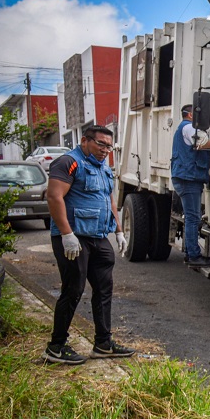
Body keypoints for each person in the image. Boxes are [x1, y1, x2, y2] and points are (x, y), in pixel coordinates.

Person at [44, 126, 134, 365]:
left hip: (98, 238)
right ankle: (56, 346)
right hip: (74, 238)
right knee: (73, 289)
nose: (105, 150)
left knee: (104, 289)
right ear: (85, 140)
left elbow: (109, 198)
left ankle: (103, 343)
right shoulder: (68, 163)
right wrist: (66, 234)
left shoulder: (103, 165)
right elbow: (54, 196)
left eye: (109, 146)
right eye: (101, 144)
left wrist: (119, 230)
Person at [171, 104, 210, 267]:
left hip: (186, 177)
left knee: (191, 217)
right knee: (193, 218)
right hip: (188, 179)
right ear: (189, 115)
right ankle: (194, 256)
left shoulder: (184, 128)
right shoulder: (188, 128)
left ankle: (190, 253)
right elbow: (204, 144)